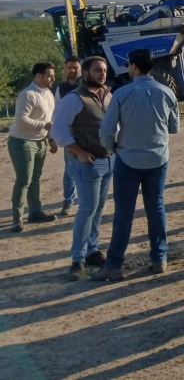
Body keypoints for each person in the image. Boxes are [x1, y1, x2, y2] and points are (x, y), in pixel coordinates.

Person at [95, 48, 180, 280]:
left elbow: (106, 131)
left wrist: (113, 149)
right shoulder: (166, 92)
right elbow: (175, 128)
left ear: (133, 66)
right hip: (157, 160)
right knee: (156, 208)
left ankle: (113, 265)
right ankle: (159, 258)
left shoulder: (122, 94)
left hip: (127, 159)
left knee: (123, 213)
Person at [51, 57, 113, 281]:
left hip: (107, 161)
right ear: (85, 73)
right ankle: (77, 260)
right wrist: (79, 152)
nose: (102, 74)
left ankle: (92, 250)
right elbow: (58, 130)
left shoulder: (107, 94)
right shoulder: (74, 99)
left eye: (104, 70)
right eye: (97, 70)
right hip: (87, 162)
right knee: (87, 210)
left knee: (97, 209)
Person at [8, 62, 58, 232]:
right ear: (38, 76)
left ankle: (35, 212)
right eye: (49, 75)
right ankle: (17, 218)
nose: (53, 78)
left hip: (40, 141)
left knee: (35, 177)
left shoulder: (48, 94)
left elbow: (49, 119)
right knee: (24, 180)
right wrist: (45, 125)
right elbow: (20, 120)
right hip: (22, 142)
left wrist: (50, 139)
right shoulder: (28, 95)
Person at [54, 56, 82, 216]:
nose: (71, 70)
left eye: (74, 67)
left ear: (81, 68)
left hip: (88, 133)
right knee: (70, 169)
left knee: (92, 167)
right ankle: (68, 201)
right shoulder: (62, 88)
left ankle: (94, 200)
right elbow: (57, 112)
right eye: (69, 67)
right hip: (70, 135)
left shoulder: (88, 84)